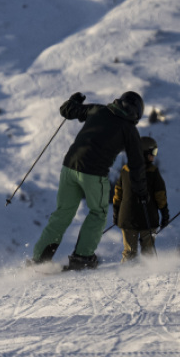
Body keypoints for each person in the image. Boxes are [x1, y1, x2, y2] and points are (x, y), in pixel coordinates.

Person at [30, 90, 148, 270]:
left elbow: (66, 111)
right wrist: (141, 192)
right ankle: (82, 258)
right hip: (94, 173)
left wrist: (73, 101)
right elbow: (137, 164)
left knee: (63, 213)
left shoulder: (98, 110)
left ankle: (39, 260)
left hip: (69, 166)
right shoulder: (129, 129)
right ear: (137, 113)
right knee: (98, 213)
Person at [111, 135, 170, 262]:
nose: (154, 156)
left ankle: (126, 272)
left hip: (127, 218)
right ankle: (148, 272)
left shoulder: (125, 170)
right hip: (148, 218)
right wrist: (165, 214)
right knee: (148, 252)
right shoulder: (153, 171)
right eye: (153, 152)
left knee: (129, 252)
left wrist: (116, 213)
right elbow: (160, 195)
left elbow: (118, 194)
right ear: (144, 152)